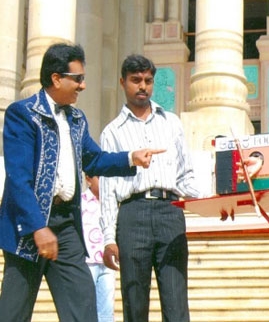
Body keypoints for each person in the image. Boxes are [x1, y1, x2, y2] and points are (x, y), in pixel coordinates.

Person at [0, 42, 162, 322]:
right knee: (13, 313)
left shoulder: (76, 119)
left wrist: (131, 158)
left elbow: (94, 160)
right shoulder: (23, 114)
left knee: (82, 304)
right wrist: (38, 227)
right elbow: (18, 178)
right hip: (27, 228)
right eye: (77, 79)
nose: (83, 86)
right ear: (56, 78)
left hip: (65, 226)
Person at [100, 54, 202, 322]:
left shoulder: (172, 123)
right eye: (136, 80)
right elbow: (108, 190)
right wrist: (109, 238)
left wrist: (213, 200)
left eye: (148, 80)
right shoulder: (112, 132)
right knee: (134, 301)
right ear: (123, 82)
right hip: (133, 215)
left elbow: (185, 176)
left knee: (176, 300)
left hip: (170, 212)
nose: (142, 86)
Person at [82, 174, 115, 322]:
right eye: (100, 178)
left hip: (108, 263)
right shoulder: (80, 201)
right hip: (86, 262)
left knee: (106, 310)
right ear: (88, 178)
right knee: (85, 308)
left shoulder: (112, 203)